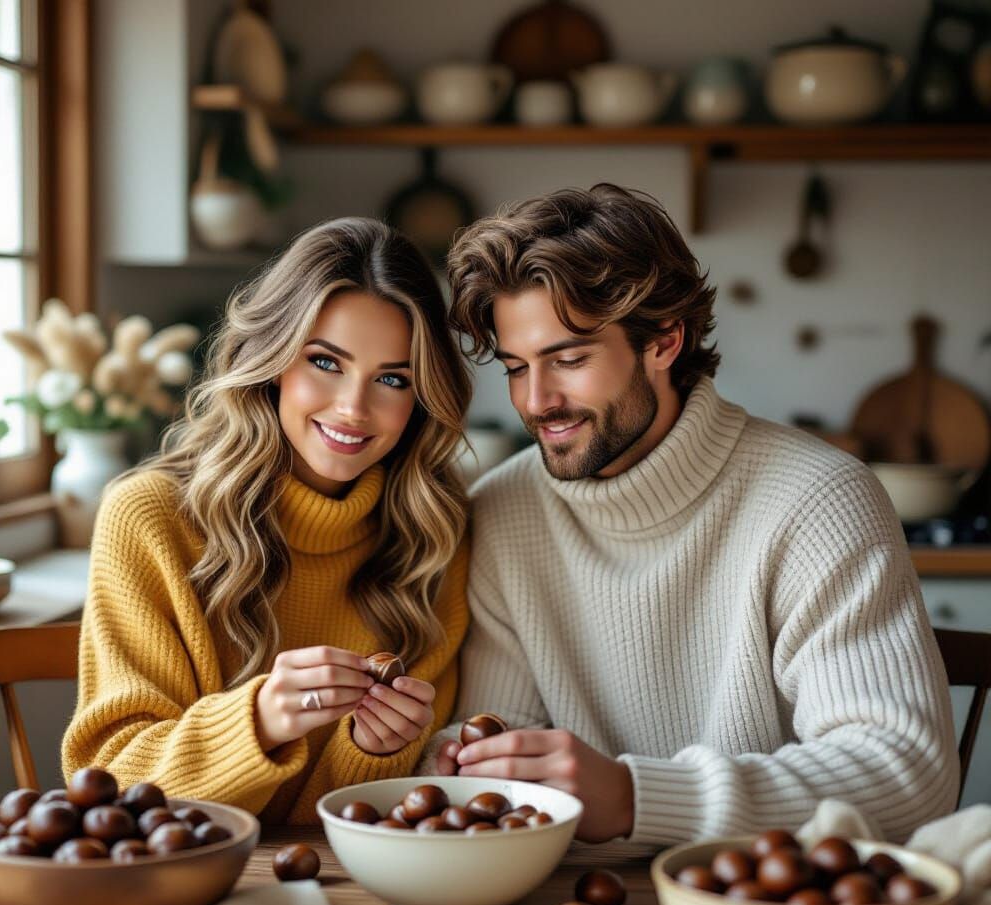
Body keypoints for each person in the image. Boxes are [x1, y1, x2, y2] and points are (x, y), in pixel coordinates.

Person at [421, 183, 958, 846]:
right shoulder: (502, 510)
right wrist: (453, 760)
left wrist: (635, 797)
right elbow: (501, 731)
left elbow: (908, 773)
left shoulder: (817, 500)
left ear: (665, 340)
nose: (537, 401)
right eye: (515, 367)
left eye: (570, 358)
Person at [62, 218, 471, 822]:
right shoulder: (148, 518)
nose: (353, 409)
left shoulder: (432, 535)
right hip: (175, 879)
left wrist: (373, 752)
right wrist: (258, 722)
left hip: (338, 887)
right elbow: (109, 782)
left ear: (421, 399)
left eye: (391, 379)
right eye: (325, 363)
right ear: (273, 360)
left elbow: (364, 824)